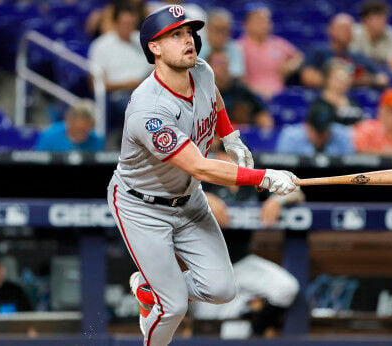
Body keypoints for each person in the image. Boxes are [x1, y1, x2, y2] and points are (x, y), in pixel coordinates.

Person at [106, 6, 298, 345]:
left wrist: (229, 135)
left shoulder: (203, 70)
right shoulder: (149, 110)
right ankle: (160, 305)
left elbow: (214, 98)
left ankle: (152, 288)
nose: (188, 40)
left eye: (188, 33)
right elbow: (200, 166)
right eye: (175, 35)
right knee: (173, 307)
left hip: (188, 198)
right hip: (143, 206)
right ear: (155, 47)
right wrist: (263, 177)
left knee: (222, 289)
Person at [193, 149, 301, 336]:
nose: (232, 163)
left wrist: (277, 201)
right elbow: (170, 191)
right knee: (207, 329)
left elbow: (296, 191)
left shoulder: (249, 180)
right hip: (206, 267)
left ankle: (256, 329)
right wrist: (202, 196)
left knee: (285, 287)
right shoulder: (202, 178)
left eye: (237, 158)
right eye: (226, 157)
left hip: (241, 263)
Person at [88, 4, 152, 133]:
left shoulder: (142, 39)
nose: (128, 27)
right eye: (125, 23)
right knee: (132, 105)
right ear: (116, 23)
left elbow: (155, 67)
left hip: (146, 89)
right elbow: (96, 84)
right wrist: (126, 85)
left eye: (132, 23)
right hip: (117, 95)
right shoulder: (101, 45)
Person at [301, 13, 389, 89]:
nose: (346, 32)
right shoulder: (318, 51)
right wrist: (342, 81)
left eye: (349, 29)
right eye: (342, 28)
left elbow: (382, 79)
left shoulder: (359, 56)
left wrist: (366, 80)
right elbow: (307, 77)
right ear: (330, 30)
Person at [238, 3, 304, 100]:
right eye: (259, 20)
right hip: (251, 97)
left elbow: (299, 56)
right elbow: (238, 79)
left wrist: (290, 65)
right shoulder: (239, 46)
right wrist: (256, 92)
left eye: (267, 21)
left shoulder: (278, 43)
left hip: (280, 95)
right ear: (247, 24)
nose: (264, 24)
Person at [208, 51, 273, 130]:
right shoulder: (201, 93)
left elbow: (263, 114)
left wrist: (264, 130)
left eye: (226, 63)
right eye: (219, 63)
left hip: (243, 136)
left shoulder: (240, 88)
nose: (223, 67)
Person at [275, 101, 355, 155]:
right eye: (316, 131)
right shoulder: (290, 136)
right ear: (307, 125)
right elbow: (282, 174)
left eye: (323, 131)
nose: (319, 136)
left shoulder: (343, 134)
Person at [306, 59, 366, 126]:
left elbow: (361, 124)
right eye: (339, 78)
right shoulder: (319, 105)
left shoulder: (353, 103)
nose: (344, 81)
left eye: (346, 78)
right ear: (328, 79)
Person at [350, 0, 392, 73]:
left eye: (384, 17)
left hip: (382, 78)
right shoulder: (355, 33)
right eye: (378, 18)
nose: (383, 21)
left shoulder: (390, 33)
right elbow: (352, 63)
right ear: (366, 20)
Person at [35, 100, 104, 152]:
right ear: (68, 121)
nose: (81, 133)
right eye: (78, 129)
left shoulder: (97, 140)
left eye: (86, 129)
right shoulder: (49, 136)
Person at [199, 8, 245, 80]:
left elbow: (237, 74)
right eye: (217, 29)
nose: (220, 35)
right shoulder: (195, 48)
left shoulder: (234, 47)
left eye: (224, 30)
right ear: (207, 29)